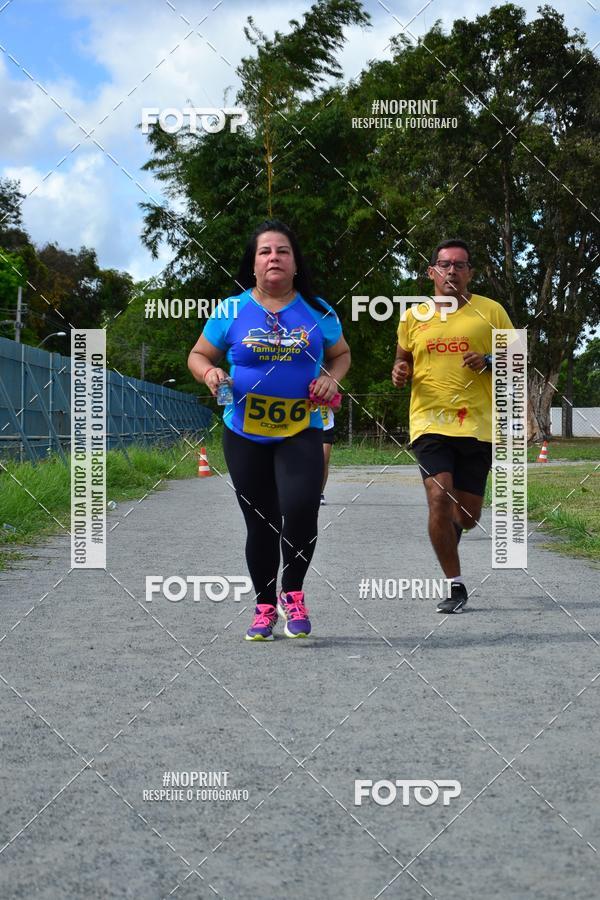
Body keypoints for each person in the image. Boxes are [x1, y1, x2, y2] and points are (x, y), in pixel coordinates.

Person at [188, 220, 351, 640]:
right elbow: (199, 354)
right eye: (265, 252)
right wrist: (210, 372)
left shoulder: (318, 310)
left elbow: (341, 355)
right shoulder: (230, 309)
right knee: (260, 521)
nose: (274, 257)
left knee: (300, 508)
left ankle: (292, 593)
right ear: (254, 264)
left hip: (301, 427)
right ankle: (264, 607)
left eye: (282, 251)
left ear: (295, 264)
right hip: (244, 430)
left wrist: (332, 378)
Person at [392, 239, 514, 613]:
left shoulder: (490, 312)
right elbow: (403, 359)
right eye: (444, 265)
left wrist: (491, 359)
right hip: (429, 421)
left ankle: (450, 532)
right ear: (432, 272)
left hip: (477, 426)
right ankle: (455, 586)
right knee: (439, 497)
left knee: (468, 517)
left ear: (470, 273)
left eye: (460, 265)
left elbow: (518, 356)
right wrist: (400, 371)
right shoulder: (414, 316)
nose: (452, 271)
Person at [320, 407, 335, 504]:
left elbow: (338, 408)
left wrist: (330, 402)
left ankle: (320, 493)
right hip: (309, 426)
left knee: (324, 460)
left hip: (326, 426)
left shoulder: (331, 391)